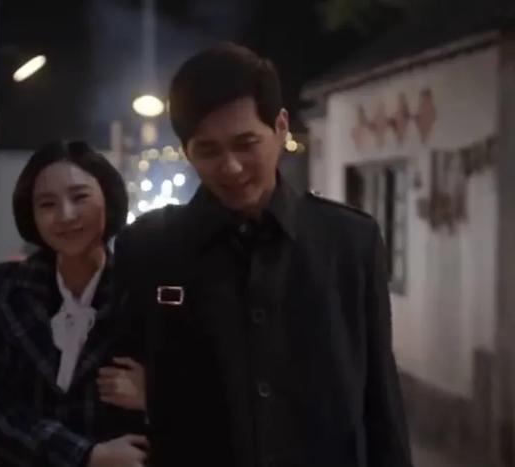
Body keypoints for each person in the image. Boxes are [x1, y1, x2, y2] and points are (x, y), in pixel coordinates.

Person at [113, 43, 413, 467]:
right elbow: (119, 392)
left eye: (246, 143)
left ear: (281, 127)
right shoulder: (149, 248)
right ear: (185, 150)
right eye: (208, 150)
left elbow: (380, 399)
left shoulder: (349, 242)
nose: (231, 167)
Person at [0, 141, 148, 467]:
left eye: (80, 197)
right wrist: (85, 455)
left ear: (108, 199)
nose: (65, 216)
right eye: (47, 204)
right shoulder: (0, 289)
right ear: (32, 215)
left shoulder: (140, 291)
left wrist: (152, 397)